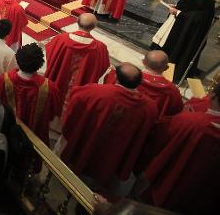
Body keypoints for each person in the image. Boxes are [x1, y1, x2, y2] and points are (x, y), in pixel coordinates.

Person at [58, 63, 158, 194]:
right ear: (139, 82)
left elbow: (74, 104)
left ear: (116, 77)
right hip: (113, 156)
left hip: (87, 143)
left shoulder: (94, 92)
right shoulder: (149, 108)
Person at [133, 83, 220, 214]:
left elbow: (157, 136)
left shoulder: (190, 122)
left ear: (212, 94)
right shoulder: (193, 121)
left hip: (163, 187)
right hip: (202, 198)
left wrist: (182, 117)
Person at [0, 43, 61, 145]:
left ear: (18, 60)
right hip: (36, 136)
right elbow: (53, 113)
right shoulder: (49, 87)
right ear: (40, 64)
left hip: (7, 132)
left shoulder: (4, 80)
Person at [44, 13, 110, 113]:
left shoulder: (61, 39)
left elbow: (50, 54)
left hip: (58, 82)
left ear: (77, 22)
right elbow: (102, 67)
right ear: (94, 27)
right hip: (79, 90)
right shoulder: (100, 48)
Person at [153, 0, 215, 81]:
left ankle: (171, 74)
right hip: (179, 30)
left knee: (178, 52)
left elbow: (194, 20)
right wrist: (176, 7)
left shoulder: (205, 4)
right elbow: (186, 8)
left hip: (188, 36)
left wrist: (177, 13)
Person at [106, 50, 182, 119]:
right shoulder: (173, 91)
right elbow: (175, 115)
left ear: (143, 62)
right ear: (166, 68)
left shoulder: (126, 76)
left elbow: (108, 91)